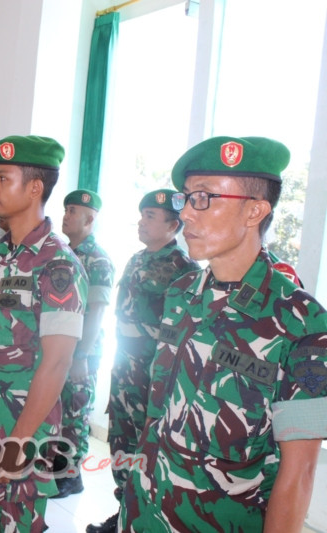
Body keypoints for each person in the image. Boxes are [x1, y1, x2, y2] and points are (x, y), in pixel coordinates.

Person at [120, 136, 327, 532]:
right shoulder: (181, 293)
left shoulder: (302, 324)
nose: (186, 214)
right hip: (143, 514)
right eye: (186, 198)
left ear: (255, 211)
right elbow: (157, 415)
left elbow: (298, 474)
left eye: (204, 198)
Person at [0, 135, 88, 531]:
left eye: (2, 178)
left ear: (34, 188)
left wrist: (20, 441)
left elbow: (57, 362)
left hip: (18, 430)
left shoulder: (58, 265)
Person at [86, 189, 198, 533]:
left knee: (147, 449)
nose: (141, 222)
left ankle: (142, 518)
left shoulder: (184, 269)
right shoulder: (136, 259)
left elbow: (182, 334)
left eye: (150, 216)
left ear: (173, 225)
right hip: (124, 370)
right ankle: (122, 512)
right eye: (142, 215)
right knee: (121, 442)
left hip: (153, 378)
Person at [57, 189, 114, 497]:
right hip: (59, 347)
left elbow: (97, 312)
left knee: (75, 411)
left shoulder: (98, 259)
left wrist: (81, 355)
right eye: (66, 210)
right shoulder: (63, 253)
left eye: (73, 211)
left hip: (82, 350)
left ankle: (70, 475)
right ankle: (54, 468)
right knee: (57, 408)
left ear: (90, 219)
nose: (66, 216)